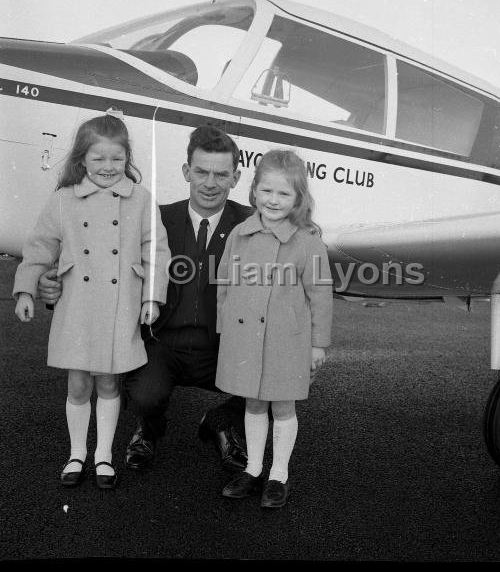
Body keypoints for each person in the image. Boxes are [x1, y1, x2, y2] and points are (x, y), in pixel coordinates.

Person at [39, 124, 252, 472]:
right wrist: (54, 286)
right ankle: (148, 430)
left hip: (222, 347)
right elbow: (98, 260)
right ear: (186, 172)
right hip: (163, 343)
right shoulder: (156, 217)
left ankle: (224, 421)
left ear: (236, 177)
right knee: (144, 395)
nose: (210, 183)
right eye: (201, 172)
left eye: (221, 174)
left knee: (282, 372)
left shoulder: (252, 224)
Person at [13, 113, 170, 489]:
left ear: (128, 159)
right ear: (82, 159)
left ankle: (104, 456)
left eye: (117, 158)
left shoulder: (141, 200)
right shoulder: (63, 200)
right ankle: (76, 453)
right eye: (98, 158)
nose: (108, 167)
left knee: (109, 384)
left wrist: (153, 298)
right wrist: (25, 288)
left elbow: (157, 252)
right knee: (79, 384)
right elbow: (39, 246)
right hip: (78, 305)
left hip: (121, 305)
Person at [216, 150, 333, 508]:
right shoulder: (240, 233)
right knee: (252, 402)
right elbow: (224, 281)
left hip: (287, 340)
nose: (273, 200)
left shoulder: (307, 241)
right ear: (254, 192)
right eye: (266, 191)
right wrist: (225, 328)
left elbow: (321, 296)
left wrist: (318, 345)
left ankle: (278, 474)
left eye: (284, 194)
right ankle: (252, 469)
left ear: (299, 198)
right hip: (245, 338)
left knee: (282, 406)